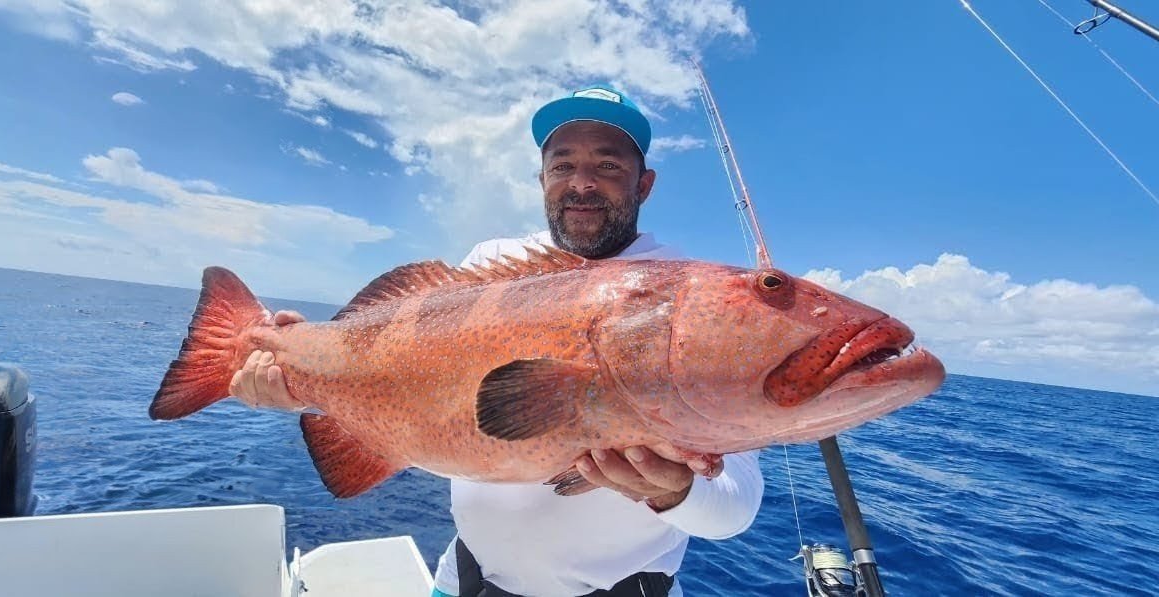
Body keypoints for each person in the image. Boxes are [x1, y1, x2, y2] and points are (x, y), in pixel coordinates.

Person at [230, 85, 764, 597]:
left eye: (607, 165)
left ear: (643, 184)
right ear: (542, 179)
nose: (582, 183)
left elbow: (736, 508)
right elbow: (402, 379)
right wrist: (300, 378)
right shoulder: (491, 265)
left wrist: (675, 490)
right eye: (563, 166)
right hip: (467, 579)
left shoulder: (689, 299)